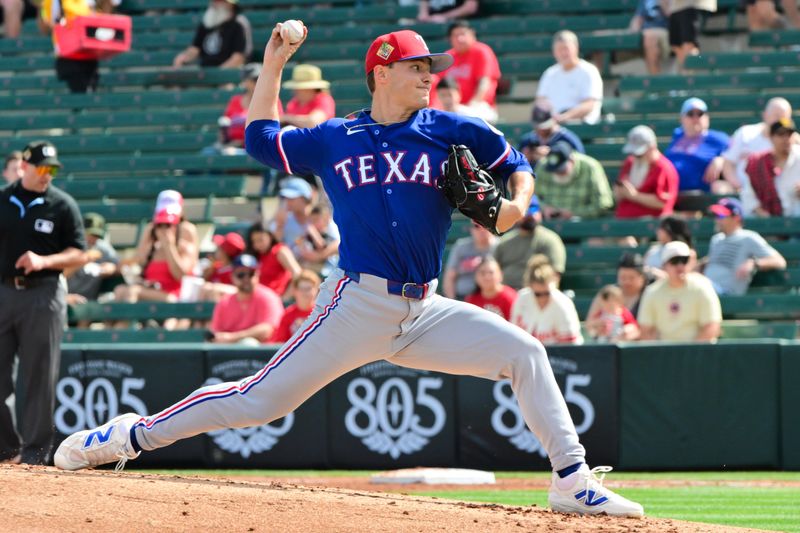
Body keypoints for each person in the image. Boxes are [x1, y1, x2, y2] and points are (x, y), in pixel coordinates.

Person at [54, 25, 643, 519]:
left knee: (526, 354)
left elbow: (515, 164)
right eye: (417, 66)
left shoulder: (450, 129)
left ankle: (571, 479)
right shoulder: (336, 138)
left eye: (430, 67)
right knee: (258, 402)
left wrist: (517, 203)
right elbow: (260, 138)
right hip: (355, 304)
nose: (429, 75)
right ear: (382, 71)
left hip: (425, 308)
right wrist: (273, 63)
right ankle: (127, 437)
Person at [0, 141, 85, 465]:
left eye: (53, 169)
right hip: (4, 291)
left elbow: (79, 251)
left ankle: (35, 454)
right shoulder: (3, 199)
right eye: (42, 167)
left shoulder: (61, 205)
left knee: (38, 375)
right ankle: (6, 449)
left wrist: (45, 261)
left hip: (43, 293)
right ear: (24, 166)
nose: (47, 174)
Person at [113, 190, 198, 306]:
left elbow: (181, 275)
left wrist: (169, 246)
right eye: (160, 224)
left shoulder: (187, 231)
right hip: (150, 289)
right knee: (120, 290)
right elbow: (139, 260)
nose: (164, 228)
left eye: (168, 224)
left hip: (173, 294)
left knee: (133, 291)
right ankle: (120, 324)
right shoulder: (151, 230)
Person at [637, 240, 721, 342]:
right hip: (663, 354)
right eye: (675, 261)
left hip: (698, 354)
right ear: (664, 265)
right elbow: (645, 331)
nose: (680, 266)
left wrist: (690, 353)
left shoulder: (703, 287)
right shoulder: (652, 292)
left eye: (684, 260)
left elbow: (711, 327)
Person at [699, 198, 786, 295]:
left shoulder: (748, 237)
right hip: (707, 290)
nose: (717, 219)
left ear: (736, 218)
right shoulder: (716, 239)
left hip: (727, 293)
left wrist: (754, 263)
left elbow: (780, 261)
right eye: (716, 215)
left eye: (721, 215)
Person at [722, 97, 793, 207]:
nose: (779, 120)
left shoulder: (793, 142)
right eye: (776, 116)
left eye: (783, 117)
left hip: (780, 197)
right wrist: (738, 186)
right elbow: (728, 163)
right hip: (745, 193)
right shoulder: (745, 134)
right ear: (765, 115)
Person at [432, 20, 501, 123]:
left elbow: (484, 83)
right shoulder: (448, 56)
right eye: (455, 35)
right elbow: (437, 86)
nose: (460, 39)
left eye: (463, 34)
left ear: (472, 34)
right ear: (450, 39)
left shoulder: (481, 51)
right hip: (453, 109)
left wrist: (470, 106)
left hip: (479, 107)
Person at [207, 253, 283, 345]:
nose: (246, 278)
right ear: (232, 277)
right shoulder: (224, 302)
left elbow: (267, 330)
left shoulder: (268, 297)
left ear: (257, 274)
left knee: (248, 343)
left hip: (264, 355)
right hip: (229, 355)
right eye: (241, 275)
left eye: (251, 274)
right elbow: (216, 333)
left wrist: (232, 337)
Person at [493, 195, 566, 290]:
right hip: (507, 294)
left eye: (534, 209)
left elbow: (555, 276)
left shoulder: (550, 239)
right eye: (525, 210)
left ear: (540, 213)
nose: (530, 215)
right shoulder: (504, 241)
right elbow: (494, 271)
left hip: (536, 294)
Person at [535, 30, 603, 125]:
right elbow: (540, 101)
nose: (563, 53)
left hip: (582, 125)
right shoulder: (549, 73)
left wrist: (565, 117)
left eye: (566, 48)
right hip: (553, 126)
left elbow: (589, 105)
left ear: (576, 48)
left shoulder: (589, 71)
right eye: (559, 49)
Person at [664, 97, 730, 193]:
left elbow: (737, 153)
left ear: (707, 118)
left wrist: (722, 160)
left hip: (700, 193)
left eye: (700, 114)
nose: (696, 118)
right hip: (671, 192)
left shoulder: (718, 139)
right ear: (682, 118)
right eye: (690, 114)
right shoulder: (677, 135)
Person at [510, 260, 583, 345]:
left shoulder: (563, 304)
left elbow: (570, 346)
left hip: (557, 355)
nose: (543, 298)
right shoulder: (522, 299)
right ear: (530, 286)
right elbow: (513, 336)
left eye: (547, 293)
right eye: (538, 294)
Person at [534, 142, 614, 220]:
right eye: (554, 170)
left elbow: (604, 203)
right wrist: (544, 208)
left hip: (583, 225)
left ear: (571, 161)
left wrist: (575, 213)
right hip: (548, 223)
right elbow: (531, 197)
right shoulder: (542, 166)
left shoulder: (590, 167)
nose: (558, 173)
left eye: (561, 170)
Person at [615, 125, 679, 219]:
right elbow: (619, 193)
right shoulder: (630, 162)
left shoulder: (663, 168)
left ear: (652, 147)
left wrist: (634, 195)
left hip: (651, 224)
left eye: (639, 153)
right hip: (624, 220)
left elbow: (662, 203)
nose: (636, 156)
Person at [38, 0, 100, 93]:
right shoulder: (52, 2)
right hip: (68, 56)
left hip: (89, 55)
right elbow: (45, 26)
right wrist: (41, 10)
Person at [744, 118, 800, 217]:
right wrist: (762, 214)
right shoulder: (758, 162)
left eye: (789, 134)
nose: (786, 139)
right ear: (771, 137)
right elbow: (748, 195)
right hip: (767, 222)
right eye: (781, 134)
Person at [172, 0, 249, 69]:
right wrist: (183, 57)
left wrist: (220, 72)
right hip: (204, 70)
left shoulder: (237, 26)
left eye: (219, 1)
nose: (215, 3)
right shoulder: (206, 24)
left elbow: (238, 57)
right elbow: (195, 48)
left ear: (230, 5)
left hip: (226, 72)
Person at [64, 212, 119, 305]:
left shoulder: (101, 248)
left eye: (96, 236)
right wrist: (83, 260)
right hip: (64, 297)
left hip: (88, 301)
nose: (92, 239)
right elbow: (62, 275)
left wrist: (111, 268)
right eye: (89, 234)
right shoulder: (69, 246)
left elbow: (120, 266)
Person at [586, 252, 653, 324]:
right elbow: (589, 323)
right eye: (623, 278)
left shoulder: (650, 294)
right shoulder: (608, 293)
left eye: (631, 278)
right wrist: (600, 324)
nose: (627, 281)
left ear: (642, 278)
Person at [518, 104, 585, 167]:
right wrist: (525, 160)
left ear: (554, 120)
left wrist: (552, 155)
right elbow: (516, 168)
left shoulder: (568, 139)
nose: (540, 129)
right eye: (537, 126)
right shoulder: (527, 140)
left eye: (544, 126)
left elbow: (579, 165)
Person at [443, 221, 497, 300]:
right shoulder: (460, 247)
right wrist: (453, 301)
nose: (481, 229)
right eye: (477, 226)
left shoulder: (499, 246)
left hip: (492, 298)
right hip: (462, 297)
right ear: (471, 229)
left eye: (485, 225)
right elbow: (449, 278)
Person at [246, 221, 301, 297]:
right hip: (259, 299)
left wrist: (286, 297)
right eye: (254, 241)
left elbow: (297, 273)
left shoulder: (279, 251)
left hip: (276, 298)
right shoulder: (256, 256)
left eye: (260, 240)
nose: (258, 244)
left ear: (270, 236)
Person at [217, 63, 263, 152]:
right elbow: (224, 127)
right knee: (208, 152)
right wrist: (225, 142)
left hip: (257, 149)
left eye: (258, 79)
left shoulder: (271, 101)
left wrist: (240, 142)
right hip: (232, 146)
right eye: (254, 79)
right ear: (245, 82)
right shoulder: (235, 100)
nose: (256, 82)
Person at [270, 269, 321, 343]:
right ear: (295, 291)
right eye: (302, 289)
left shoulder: (322, 312)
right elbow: (280, 343)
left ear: (317, 290)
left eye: (308, 289)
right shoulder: (288, 314)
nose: (305, 293)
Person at [281, 64, 336, 129]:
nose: (295, 91)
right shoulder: (294, 102)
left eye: (299, 88)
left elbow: (314, 123)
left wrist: (287, 118)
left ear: (310, 89)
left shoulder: (324, 99)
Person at [668, 0, 717, 72]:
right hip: (675, 8)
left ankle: (690, 76)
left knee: (689, 44)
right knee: (676, 45)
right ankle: (687, 74)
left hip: (694, 5)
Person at [294, 204, 340, 277]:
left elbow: (324, 245)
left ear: (327, 219)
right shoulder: (309, 232)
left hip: (329, 269)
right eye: (311, 220)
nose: (313, 223)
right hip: (311, 267)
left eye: (316, 220)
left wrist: (319, 256)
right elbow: (298, 243)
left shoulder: (332, 228)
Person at [465, 257, 517, 321]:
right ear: (476, 276)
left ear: (500, 275)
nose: (487, 277)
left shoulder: (510, 298)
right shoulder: (471, 300)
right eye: (482, 273)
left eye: (491, 272)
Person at [629, 0, 670, 74]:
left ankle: (655, 81)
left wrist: (663, 3)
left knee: (650, 37)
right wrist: (634, 30)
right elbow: (638, 18)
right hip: (646, 32)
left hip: (665, 30)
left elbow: (672, 15)